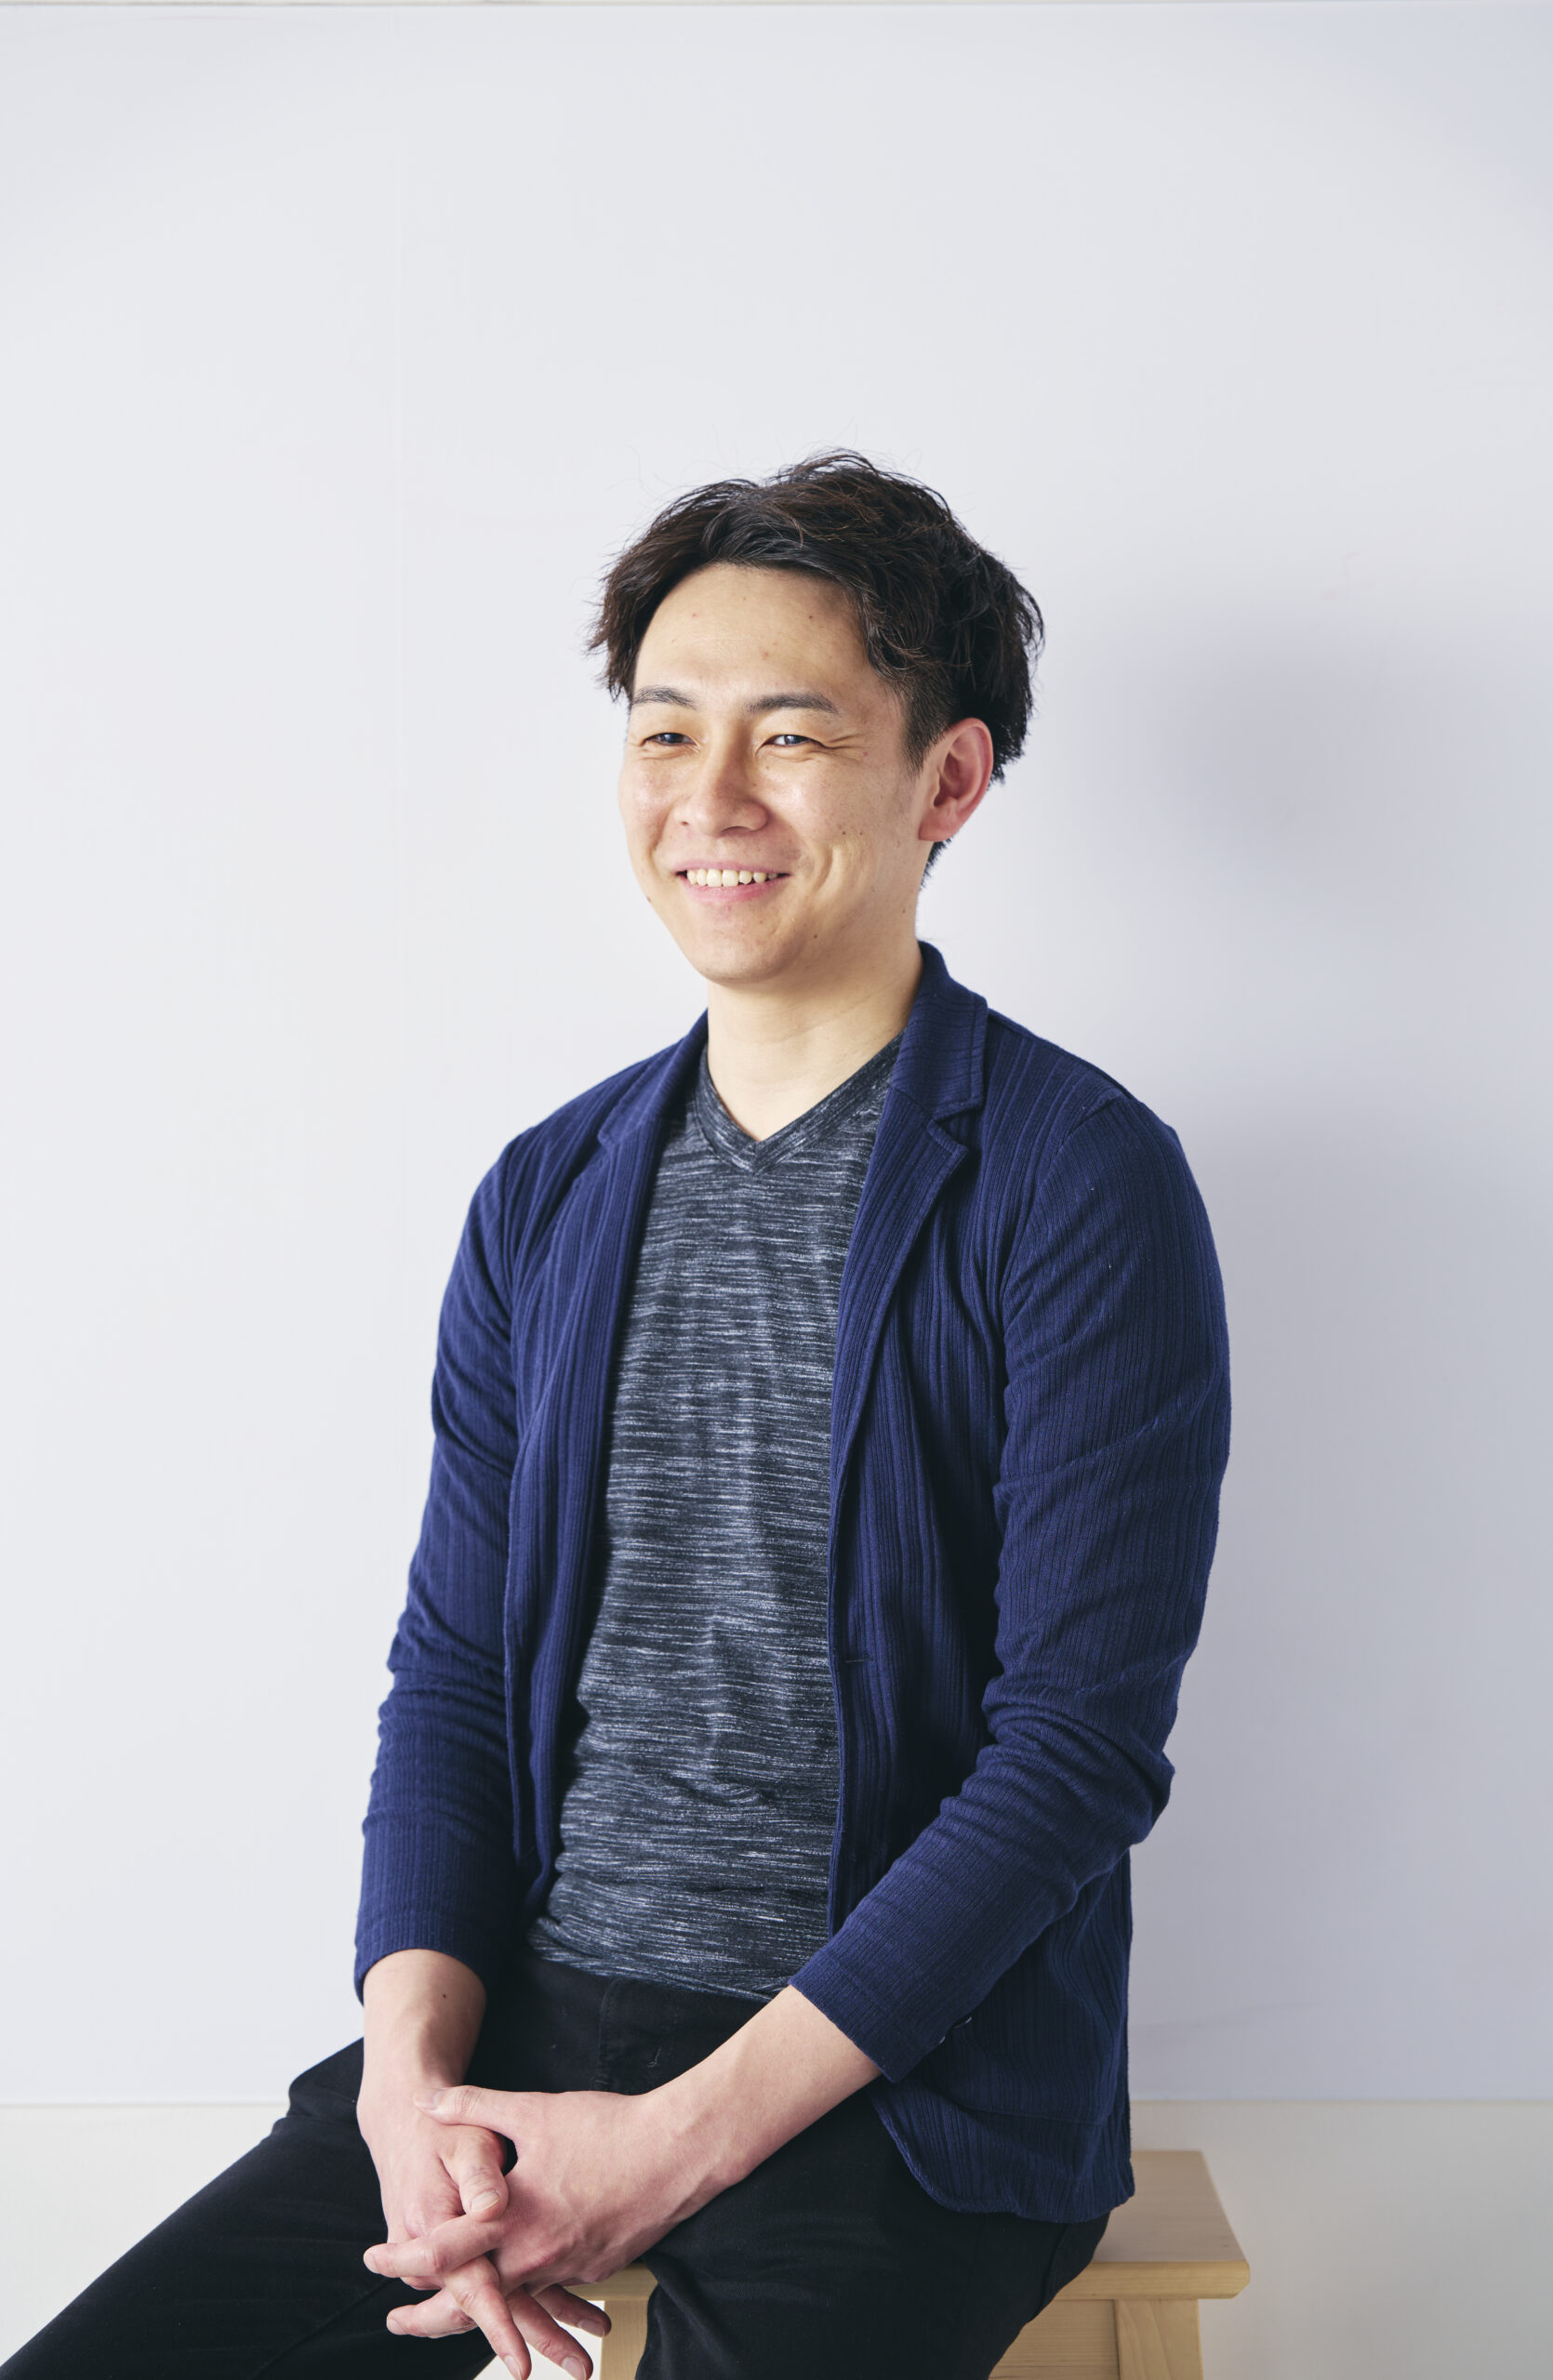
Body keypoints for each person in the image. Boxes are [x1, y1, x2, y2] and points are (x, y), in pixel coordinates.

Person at [6, 454, 1229, 2380]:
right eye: (665, 731)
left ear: (947, 780)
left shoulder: (1077, 1178)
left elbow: (1073, 1752)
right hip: (533, 2019)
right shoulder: (548, 1191)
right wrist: (411, 2078)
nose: (708, 796)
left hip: (897, 2086)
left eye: (788, 734)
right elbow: (452, 1675)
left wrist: (672, 2144)